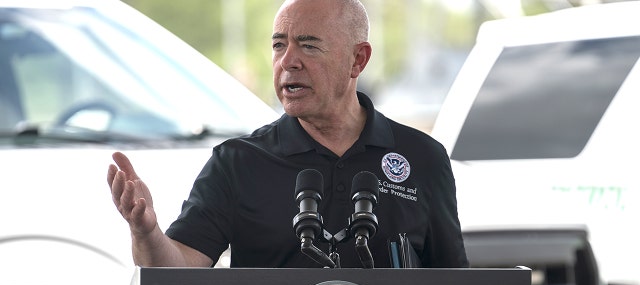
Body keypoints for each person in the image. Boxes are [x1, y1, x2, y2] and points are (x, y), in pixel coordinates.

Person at [107, 0, 468, 269]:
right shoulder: (236, 163)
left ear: (358, 60)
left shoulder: (422, 158)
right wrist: (147, 233)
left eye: (309, 45)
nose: (288, 61)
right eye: (279, 45)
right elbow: (178, 268)